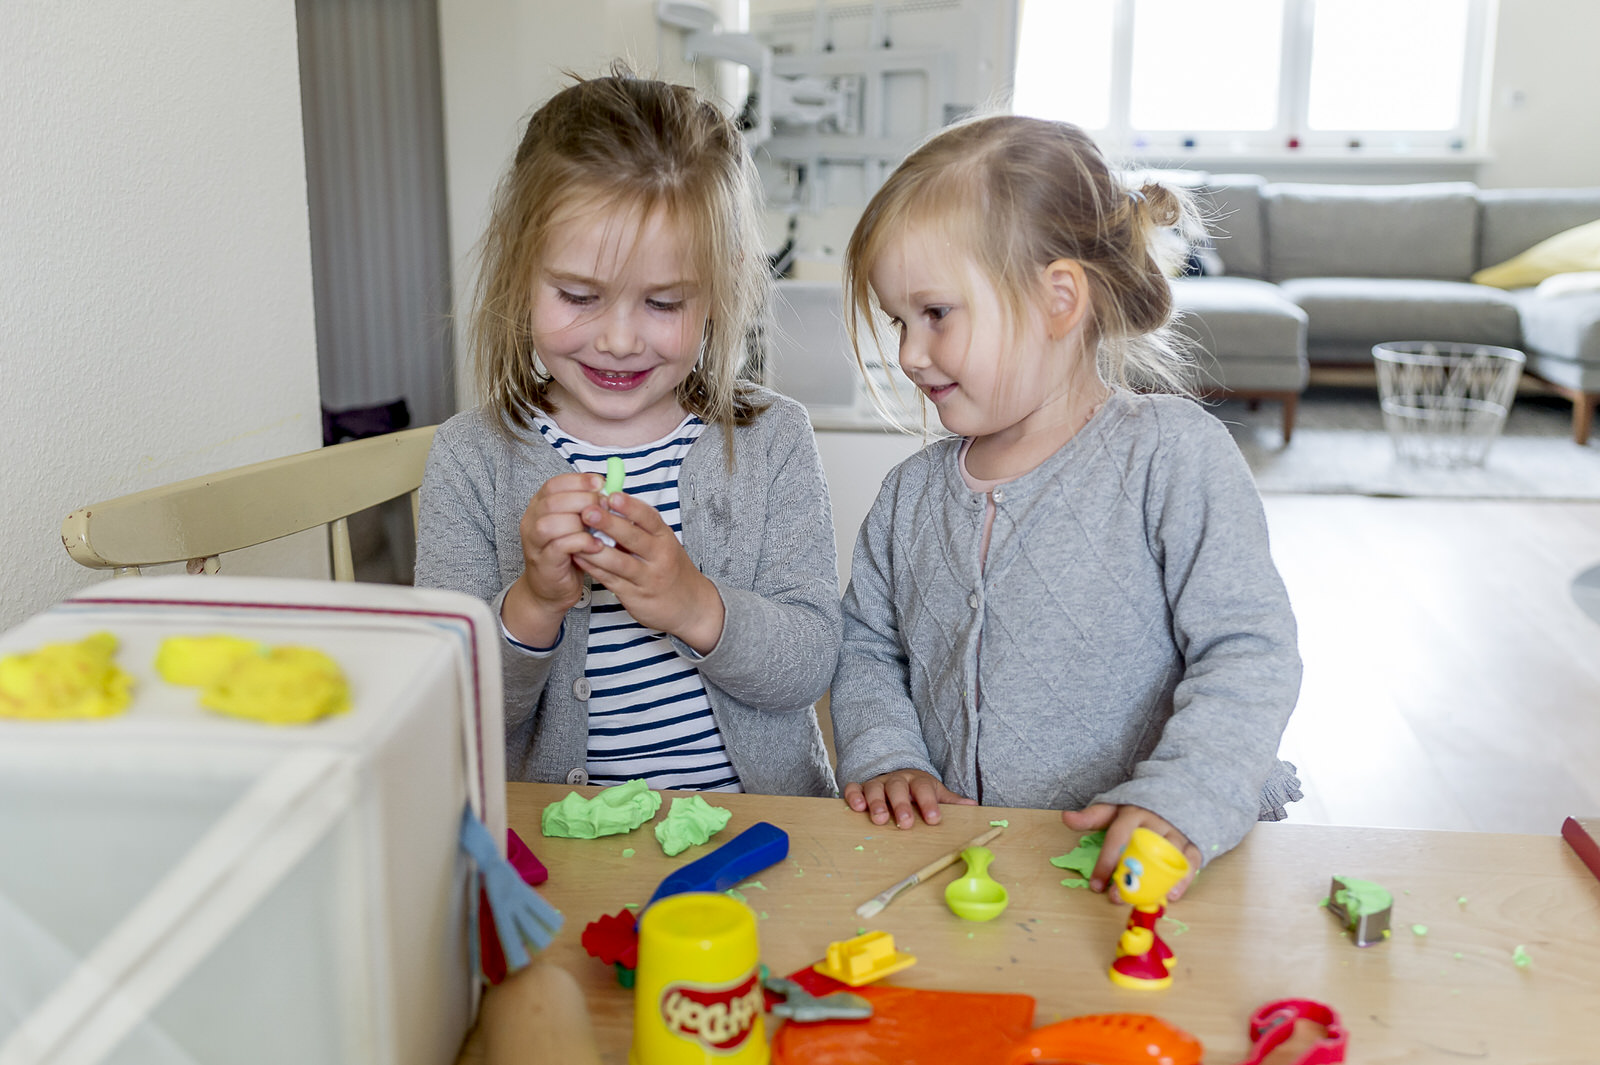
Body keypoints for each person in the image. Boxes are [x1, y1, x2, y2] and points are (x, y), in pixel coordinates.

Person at [828, 115, 1302, 899]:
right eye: (898, 322)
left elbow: (1249, 651)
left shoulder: (1171, 457)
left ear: (1058, 300)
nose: (910, 353)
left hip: (1150, 874)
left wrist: (1182, 795)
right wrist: (887, 752)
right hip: (967, 868)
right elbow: (867, 648)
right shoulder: (910, 495)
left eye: (937, 314)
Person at [416, 69, 839, 797]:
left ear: (722, 284)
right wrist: (533, 604)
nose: (617, 339)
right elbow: (449, 711)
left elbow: (810, 661)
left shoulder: (774, 440)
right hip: (566, 848)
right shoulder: (470, 459)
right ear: (521, 272)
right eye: (579, 296)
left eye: (663, 302)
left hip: (765, 833)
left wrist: (693, 602)